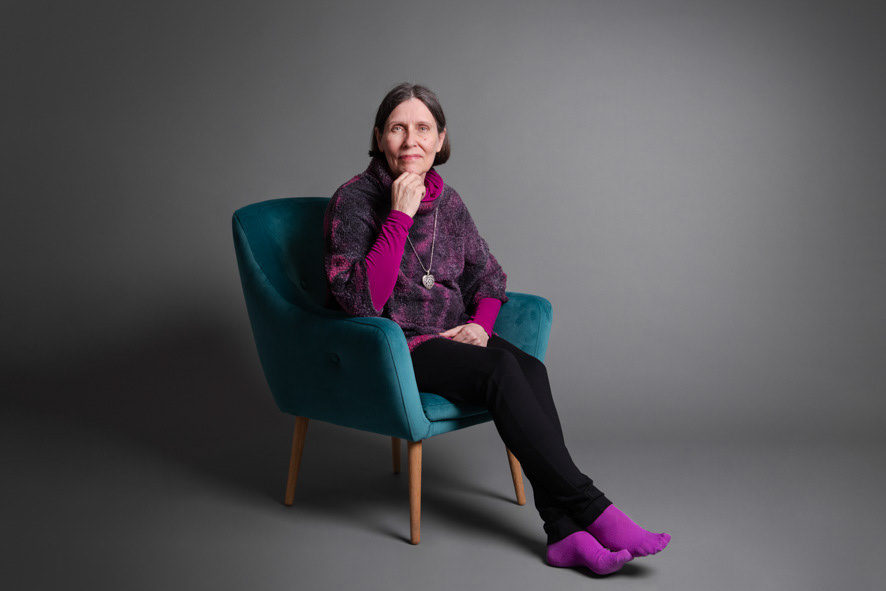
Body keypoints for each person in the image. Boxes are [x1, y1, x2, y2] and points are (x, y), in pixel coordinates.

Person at [323, 82, 670, 575]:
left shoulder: (449, 203)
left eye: (423, 128)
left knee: (530, 368)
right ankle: (591, 507)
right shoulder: (354, 200)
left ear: (441, 139)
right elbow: (361, 300)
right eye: (398, 128)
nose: (411, 140)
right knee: (500, 371)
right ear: (379, 137)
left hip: (452, 336)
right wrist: (398, 216)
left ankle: (562, 531)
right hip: (395, 344)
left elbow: (487, 276)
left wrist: (482, 327)